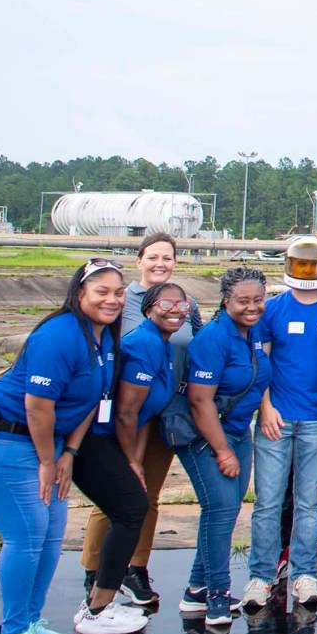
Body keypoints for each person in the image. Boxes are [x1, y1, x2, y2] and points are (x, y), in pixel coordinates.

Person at [0, 258, 149, 634]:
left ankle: (28, 624)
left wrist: (70, 453)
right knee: (26, 535)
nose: (111, 300)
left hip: (47, 443)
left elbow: (89, 401)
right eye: (101, 292)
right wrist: (48, 460)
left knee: (50, 531)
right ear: (79, 294)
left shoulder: (104, 337)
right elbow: (38, 406)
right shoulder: (59, 335)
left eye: (118, 292)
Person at [91, 230, 196, 608]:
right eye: (153, 257)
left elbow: (197, 346)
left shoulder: (186, 302)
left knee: (147, 496)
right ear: (140, 260)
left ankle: (136, 568)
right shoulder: (120, 299)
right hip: (124, 414)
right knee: (114, 493)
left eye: (167, 258)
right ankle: (95, 572)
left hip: (164, 412)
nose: (160, 264)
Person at [172, 267, 273, 626]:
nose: (252, 307)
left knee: (224, 512)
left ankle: (196, 588)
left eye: (258, 300)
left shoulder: (255, 330)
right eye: (243, 301)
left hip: (237, 432)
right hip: (206, 436)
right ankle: (217, 594)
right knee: (221, 510)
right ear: (226, 301)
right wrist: (222, 451)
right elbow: (200, 402)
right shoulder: (213, 339)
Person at [247, 237, 317, 611]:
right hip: (277, 419)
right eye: (299, 264)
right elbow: (261, 365)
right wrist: (265, 408)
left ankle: (305, 573)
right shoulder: (272, 310)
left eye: (314, 264)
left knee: (308, 502)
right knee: (267, 502)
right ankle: (262, 575)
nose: (307, 271)